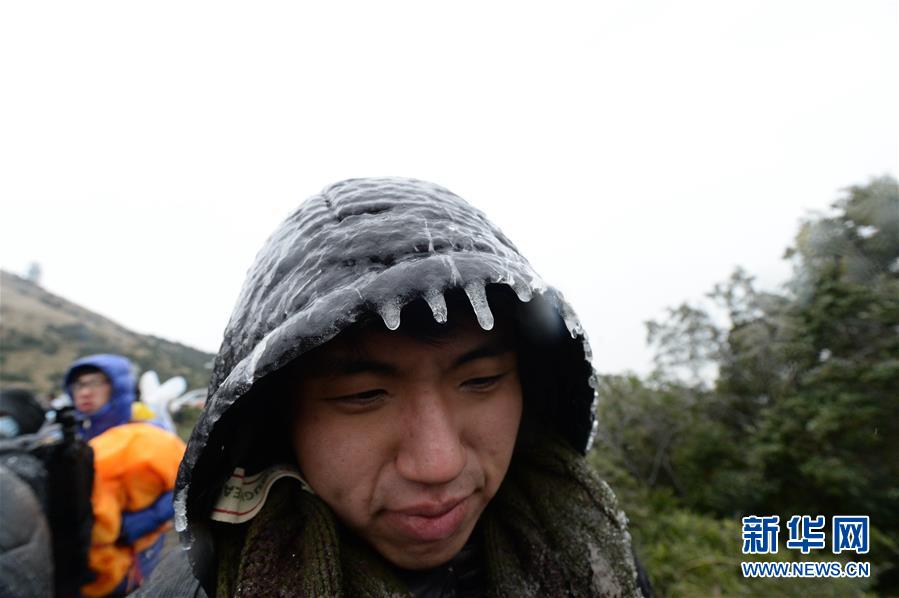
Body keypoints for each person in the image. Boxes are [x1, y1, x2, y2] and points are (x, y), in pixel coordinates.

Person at [143, 178, 651, 597]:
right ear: (279, 415)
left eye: (481, 381)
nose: (438, 464)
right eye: (364, 395)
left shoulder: (587, 548)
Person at [65, 354, 186, 596]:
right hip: (82, 564)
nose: (86, 392)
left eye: (97, 383)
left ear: (118, 387)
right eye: (79, 384)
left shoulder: (150, 435)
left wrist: (142, 522)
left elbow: (185, 486)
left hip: (135, 554)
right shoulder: (68, 436)